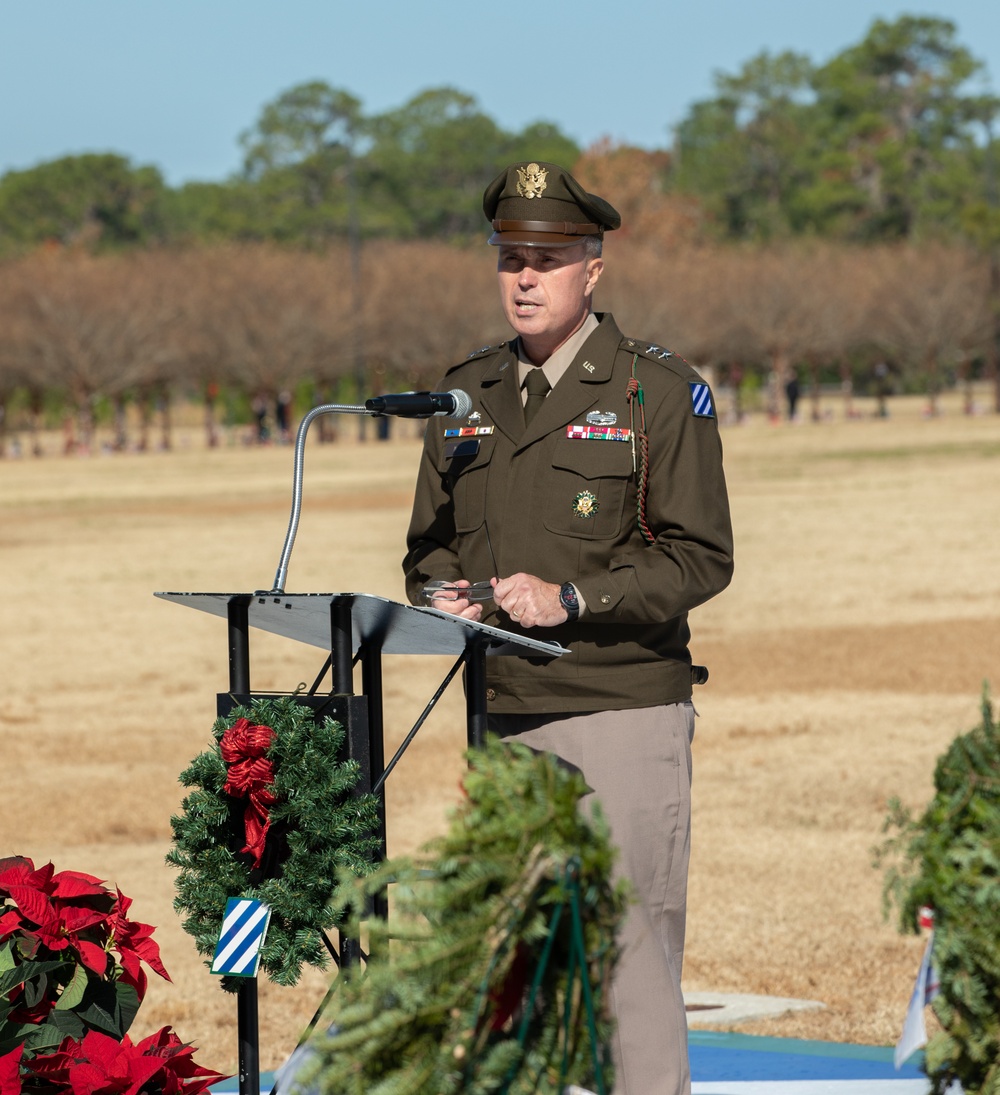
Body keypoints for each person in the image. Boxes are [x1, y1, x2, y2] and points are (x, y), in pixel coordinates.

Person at [402, 161, 734, 1095]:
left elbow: (701, 557)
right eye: (510, 257)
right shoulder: (461, 397)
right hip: (499, 717)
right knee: (512, 964)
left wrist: (574, 598)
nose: (524, 277)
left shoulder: (656, 391)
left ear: (594, 268)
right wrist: (443, 596)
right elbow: (426, 549)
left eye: (546, 258)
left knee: (628, 955)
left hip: (618, 711)